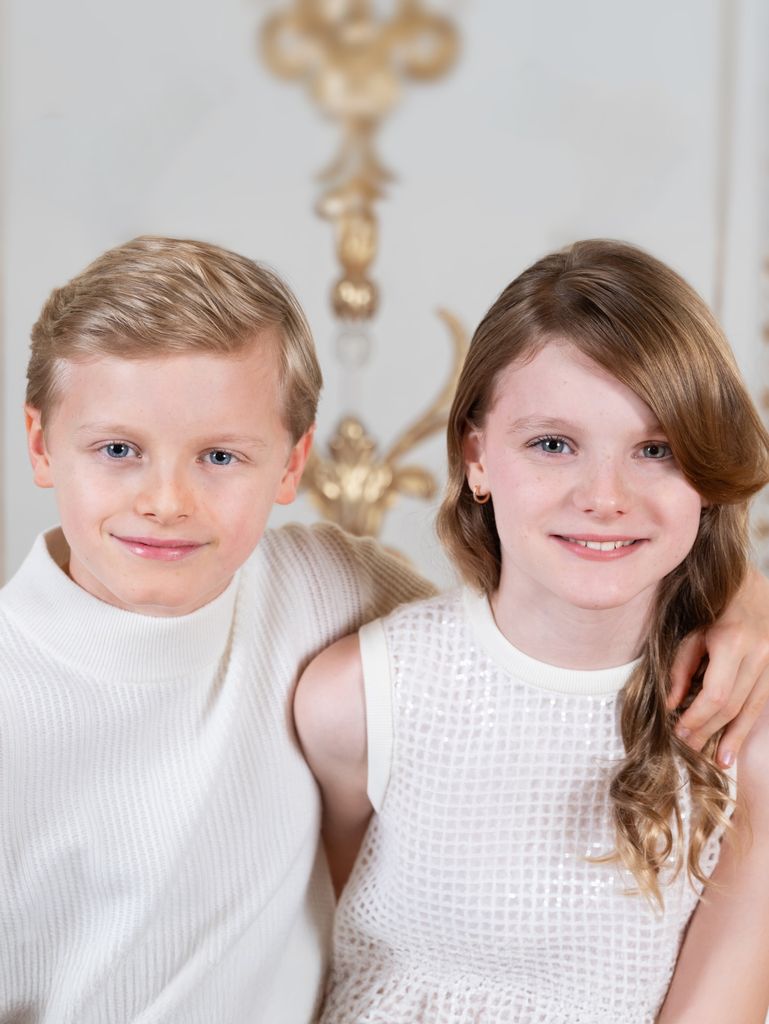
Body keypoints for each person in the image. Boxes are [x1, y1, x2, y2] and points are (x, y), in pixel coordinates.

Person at [1, 236, 766, 1024]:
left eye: (221, 456)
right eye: (118, 449)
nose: (166, 501)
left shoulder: (319, 585)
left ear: (292, 464)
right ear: (40, 444)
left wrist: (741, 596)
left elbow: (538, 621)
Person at [295, 239, 769, 1023]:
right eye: (553, 444)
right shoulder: (360, 700)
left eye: (655, 450)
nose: (605, 497)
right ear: (476, 456)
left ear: (705, 477)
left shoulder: (736, 731)